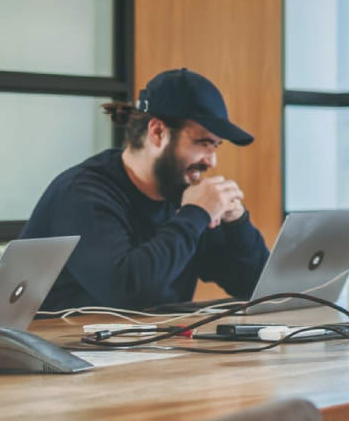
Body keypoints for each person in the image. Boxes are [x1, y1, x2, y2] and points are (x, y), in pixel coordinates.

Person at [20, 68, 267, 311]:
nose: (211, 161)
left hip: (149, 346)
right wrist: (195, 214)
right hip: (52, 348)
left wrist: (237, 224)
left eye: (216, 146)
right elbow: (128, 293)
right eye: (202, 143)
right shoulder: (82, 194)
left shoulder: (181, 193)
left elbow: (257, 287)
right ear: (157, 132)